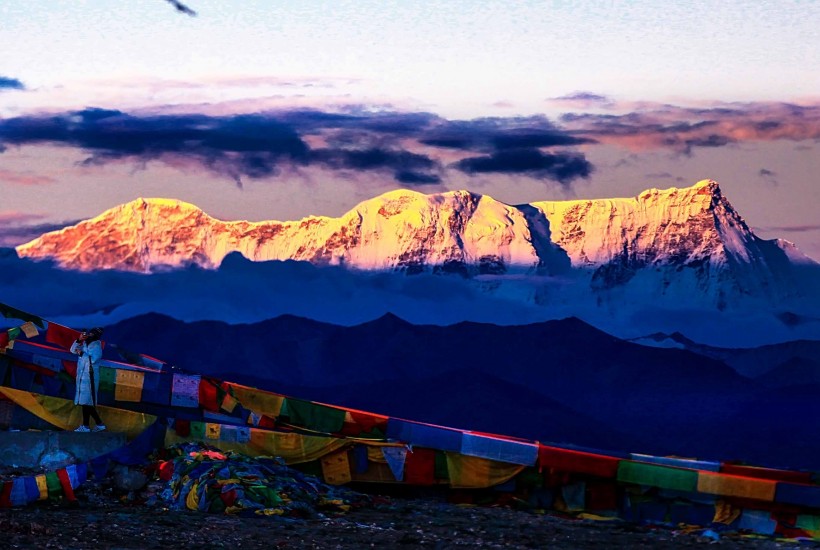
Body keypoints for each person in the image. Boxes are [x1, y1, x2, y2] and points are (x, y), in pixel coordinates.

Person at [70, 327, 106, 432]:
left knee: (87, 402)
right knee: (85, 402)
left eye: (92, 334)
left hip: (90, 377)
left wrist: (81, 354)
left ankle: (96, 424)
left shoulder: (97, 346)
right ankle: (89, 425)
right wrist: (79, 340)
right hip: (82, 376)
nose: (89, 335)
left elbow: (94, 359)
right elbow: (72, 350)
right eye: (89, 333)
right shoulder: (85, 343)